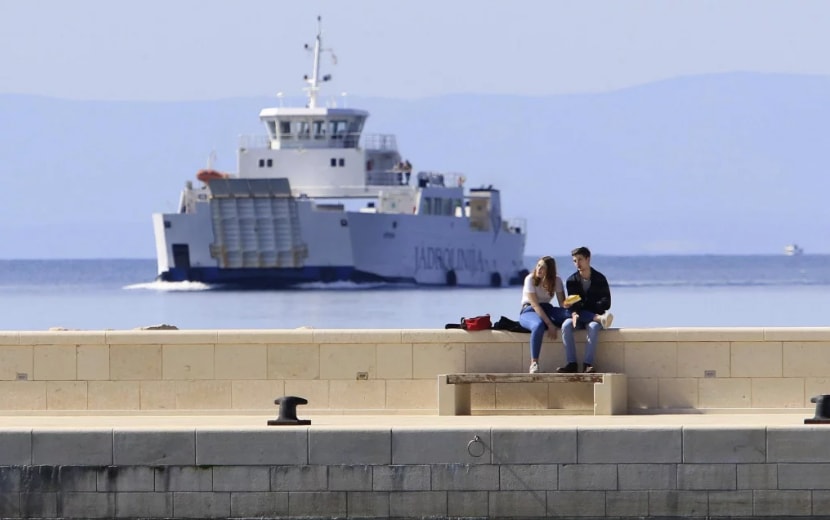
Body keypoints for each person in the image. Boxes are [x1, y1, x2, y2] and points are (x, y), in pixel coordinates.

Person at [557, 246, 614, 374]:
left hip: (592, 314)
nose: (577, 263)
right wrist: (577, 311)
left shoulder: (600, 278)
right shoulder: (572, 281)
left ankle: (587, 364)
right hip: (578, 315)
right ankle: (571, 363)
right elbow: (574, 302)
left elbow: (606, 302)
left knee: (593, 327)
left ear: (588, 259)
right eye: (574, 261)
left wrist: (586, 306)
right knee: (566, 325)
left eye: (580, 259)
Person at [519, 256, 570, 373]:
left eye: (543, 267)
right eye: (538, 265)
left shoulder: (556, 280)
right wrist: (550, 324)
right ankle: (534, 363)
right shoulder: (530, 279)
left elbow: (562, 303)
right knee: (538, 325)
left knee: (569, 314)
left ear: (549, 271)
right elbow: (535, 305)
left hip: (547, 309)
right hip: (529, 310)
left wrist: (569, 303)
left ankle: (596, 318)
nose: (539, 269)